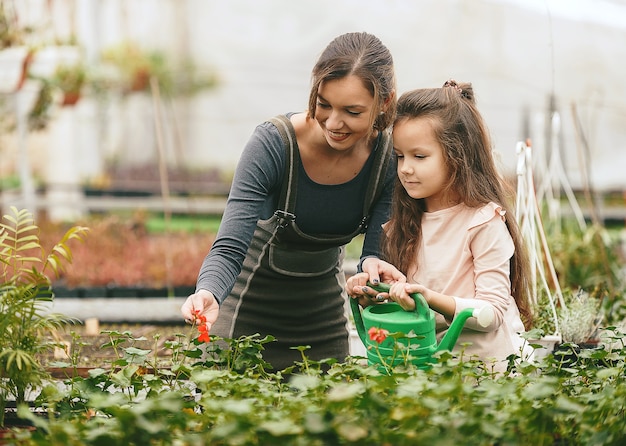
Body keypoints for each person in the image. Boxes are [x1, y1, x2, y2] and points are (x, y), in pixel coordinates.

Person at [181, 32, 399, 371]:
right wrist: (208, 292)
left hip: (322, 323)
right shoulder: (274, 144)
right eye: (323, 104)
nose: (333, 122)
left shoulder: (388, 160)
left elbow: (375, 253)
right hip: (243, 316)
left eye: (352, 111)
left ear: (384, 103)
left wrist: (373, 271)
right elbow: (229, 246)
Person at [346, 80, 533, 372]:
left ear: (458, 157)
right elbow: (409, 310)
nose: (405, 168)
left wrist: (428, 298)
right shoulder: (403, 222)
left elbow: (492, 313)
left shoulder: (482, 222)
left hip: (485, 376)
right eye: (399, 156)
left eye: (419, 156)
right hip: (427, 372)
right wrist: (376, 295)